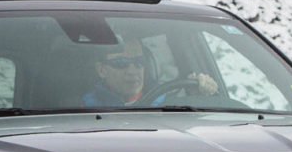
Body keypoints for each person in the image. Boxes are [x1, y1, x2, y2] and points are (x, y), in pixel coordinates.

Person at [83, 40, 219, 108]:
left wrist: (198, 96)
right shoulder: (83, 109)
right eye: (121, 63)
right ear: (101, 70)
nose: (132, 71)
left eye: (139, 62)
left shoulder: (169, 102)